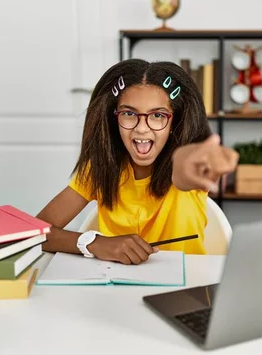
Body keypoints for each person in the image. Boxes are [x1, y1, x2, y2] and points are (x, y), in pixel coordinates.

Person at [36, 59, 238, 265]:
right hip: (115, 287)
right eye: (129, 113)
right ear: (114, 118)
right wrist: (94, 243)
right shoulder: (100, 169)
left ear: (174, 122)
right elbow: (33, 233)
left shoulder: (183, 166)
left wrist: (201, 160)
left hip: (188, 288)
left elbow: (184, 167)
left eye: (158, 115)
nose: (142, 128)